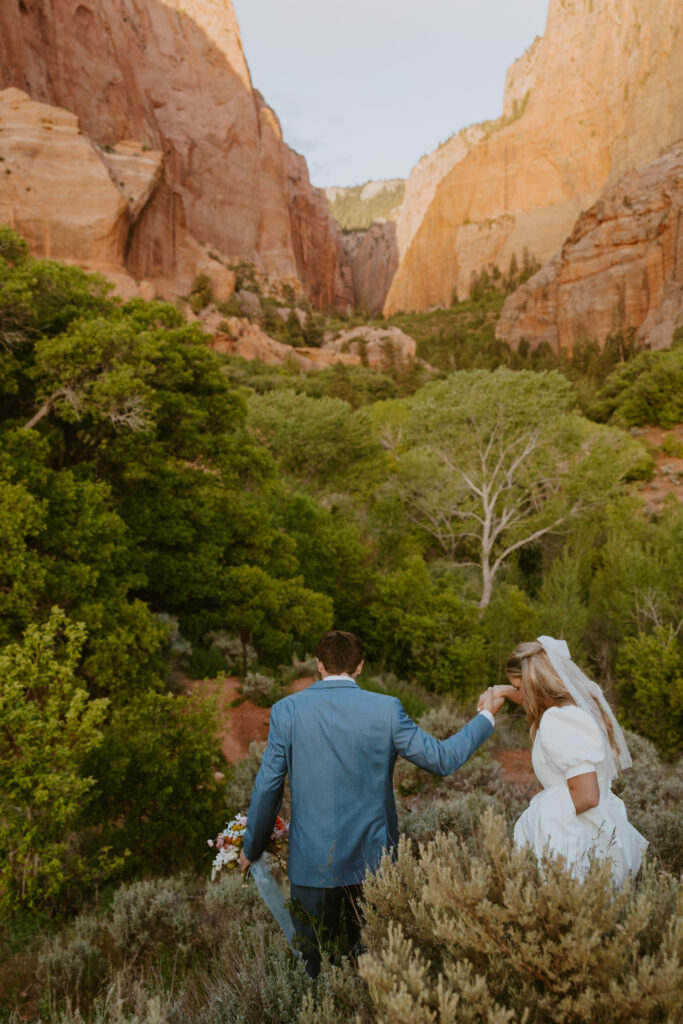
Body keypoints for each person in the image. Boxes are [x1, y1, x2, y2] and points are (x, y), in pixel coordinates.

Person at [240, 629, 506, 977]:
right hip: (374, 862)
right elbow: (442, 759)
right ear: (360, 666)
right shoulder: (387, 709)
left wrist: (252, 846)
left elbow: (268, 787)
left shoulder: (287, 710)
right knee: (374, 971)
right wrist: (485, 717)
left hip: (311, 862)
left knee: (311, 972)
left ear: (318, 664)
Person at [488, 635, 647, 884]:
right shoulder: (575, 709)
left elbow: (586, 795)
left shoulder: (557, 721)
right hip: (603, 831)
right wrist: (506, 691)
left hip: (580, 841)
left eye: (519, 688)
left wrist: (535, 813)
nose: (520, 696)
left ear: (532, 685)